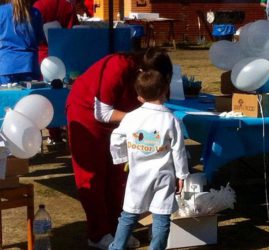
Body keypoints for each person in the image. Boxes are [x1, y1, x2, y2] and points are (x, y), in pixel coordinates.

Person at [66, 48, 173, 249]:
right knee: (93, 175)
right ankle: (98, 234)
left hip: (122, 120)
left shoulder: (156, 77)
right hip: (87, 114)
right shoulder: (117, 65)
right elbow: (102, 112)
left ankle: (117, 230)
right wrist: (141, 119)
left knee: (119, 175)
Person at [108, 69, 189, 250]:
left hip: (138, 174)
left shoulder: (131, 117)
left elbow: (116, 136)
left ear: (139, 97)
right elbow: (179, 151)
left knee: (129, 214)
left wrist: (122, 157)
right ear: (164, 90)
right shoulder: (171, 119)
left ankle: (117, 247)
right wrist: (182, 174)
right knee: (161, 217)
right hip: (163, 176)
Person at [33, 0, 79, 146]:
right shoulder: (67, 6)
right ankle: (62, 133)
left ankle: (46, 135)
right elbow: (73, 31)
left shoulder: (37, 7)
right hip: (62, 55)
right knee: (63, 92)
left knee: (43, 94)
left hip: (42, 55)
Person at [0, 0, 44, 84]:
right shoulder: (36, 13)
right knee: (29, 96)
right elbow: (39, 39)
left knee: (6, 96)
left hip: (7, 65)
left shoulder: (1, 12)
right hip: (30, 65)